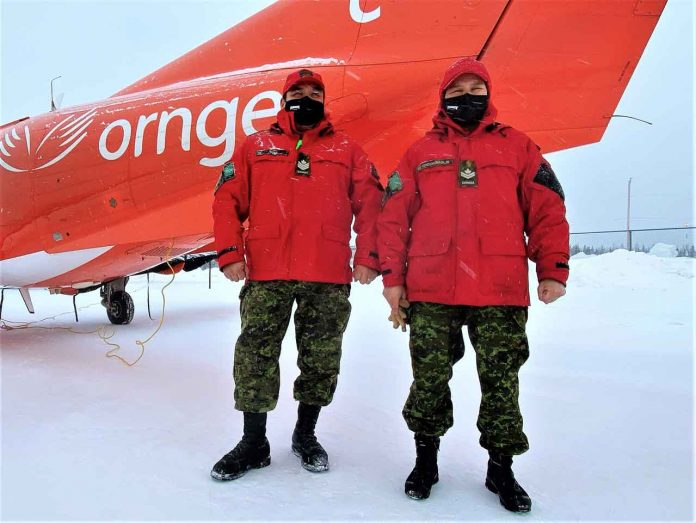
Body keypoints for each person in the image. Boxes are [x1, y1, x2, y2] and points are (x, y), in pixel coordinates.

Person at [377, 57, 569, 513]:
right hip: (431, 288)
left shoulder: (519, 147)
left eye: (475, 89)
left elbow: (547, 209)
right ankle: (426, 461)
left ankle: (500, 469)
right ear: (443, 98)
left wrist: (552, 269)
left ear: (488, 94)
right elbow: (392, 219)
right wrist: (393, 280)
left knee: (501, 382)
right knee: (428, 380)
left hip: (499, 290)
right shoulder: (419, 152)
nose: (467, 97)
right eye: (457, 90)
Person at [211, 69, 382, 480]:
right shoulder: (256, 146)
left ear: (324, 101)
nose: (307, 98)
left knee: (321, 358)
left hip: (326, 273)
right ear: (284, 99)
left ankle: (306, 434)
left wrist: (369, 257)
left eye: (315, 92)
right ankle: (254, 442)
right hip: (268, 269)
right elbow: (226, 198)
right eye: (298, 92)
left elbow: (372, 202)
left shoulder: (347, 149)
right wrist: (231, 252)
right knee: (255, 355)